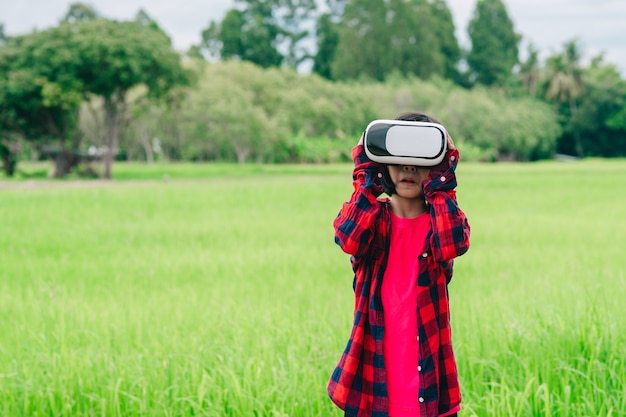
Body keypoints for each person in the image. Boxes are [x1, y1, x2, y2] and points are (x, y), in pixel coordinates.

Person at [327, 112, 471, 417]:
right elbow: (348, 237)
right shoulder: (372, 220)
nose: (408, 167)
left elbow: (454, 243)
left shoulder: (440, 224)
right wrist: (366, 175)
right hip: (370, 386)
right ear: (382, 161)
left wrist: (443, 181)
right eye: (399, 158)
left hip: (430, 387)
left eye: (420, 161)